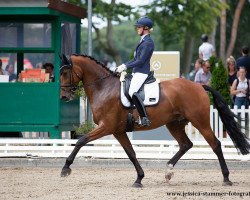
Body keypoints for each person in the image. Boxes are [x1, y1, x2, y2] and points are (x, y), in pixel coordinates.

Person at [115, 16, 154, 127]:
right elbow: (135, 59)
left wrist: (125, 66)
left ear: (146, 28)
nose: (137, 29)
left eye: (139, 27)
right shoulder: (142, 41)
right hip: (136, 71)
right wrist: (123, 65)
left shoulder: (148, 43)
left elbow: (141, 61)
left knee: (132, 91)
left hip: (142, 72)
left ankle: (144, 118)